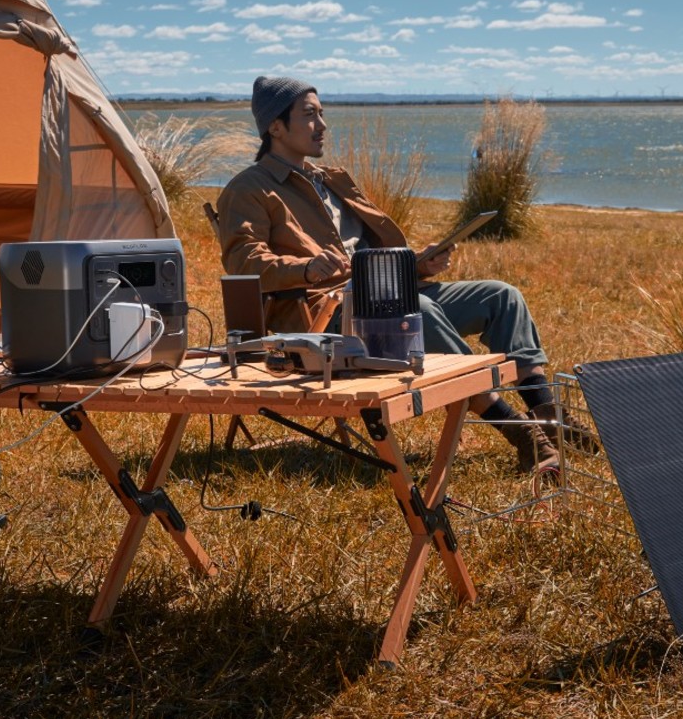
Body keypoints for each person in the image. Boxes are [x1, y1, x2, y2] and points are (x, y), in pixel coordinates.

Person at [216, 75, 577, 477]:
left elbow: (370, 253)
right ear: (275, 127)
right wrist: (305, 267)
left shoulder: (331, 179)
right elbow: (243, 262)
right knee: (416, 308)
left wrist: (417, 264)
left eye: (322, 114)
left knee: (501, 296)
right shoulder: (249, 189)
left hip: (390, 290)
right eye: (309, 116)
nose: (322, 125)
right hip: (326, 315)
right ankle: (523, 434)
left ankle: (550, 419)